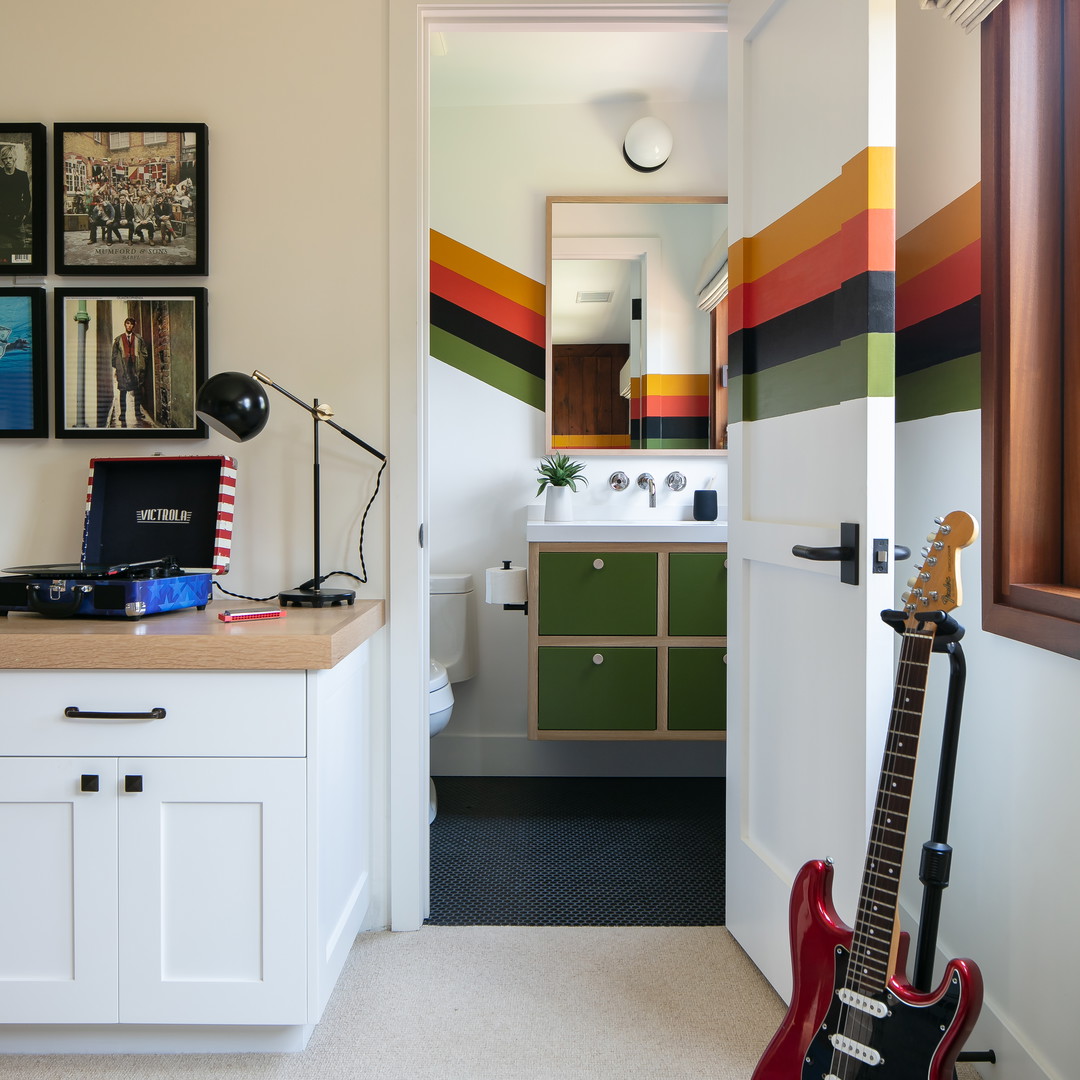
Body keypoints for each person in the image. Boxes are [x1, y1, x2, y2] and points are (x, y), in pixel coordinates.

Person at [111, 317, 149, 427]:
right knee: (123, 391)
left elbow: (145, 353)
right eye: (127, 323)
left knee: (137, 391)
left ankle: (137, 412)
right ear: (125, 325)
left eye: (131, 324)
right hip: (123, 369)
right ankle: (123, 414)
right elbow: (113, 357)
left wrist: (141, 365)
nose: (129, 326)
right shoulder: (118, 340)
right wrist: (118, 368)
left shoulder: (139, 339)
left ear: (133, 326)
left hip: (135, 369)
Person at [0, 144, 32, 248]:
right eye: (5, 158)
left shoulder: (22, 176)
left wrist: (24, 214)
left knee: (19, 251)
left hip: (17, 221)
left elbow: (27, 197)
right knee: (4, 254)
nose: (8, 160)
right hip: (2, 221)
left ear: (15, 158)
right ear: (2, 160)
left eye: (10, 158)